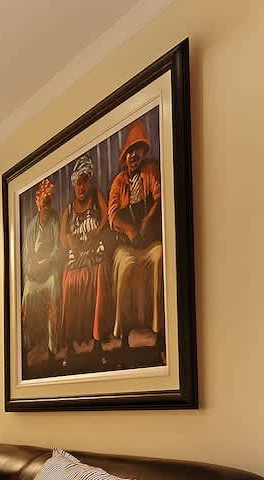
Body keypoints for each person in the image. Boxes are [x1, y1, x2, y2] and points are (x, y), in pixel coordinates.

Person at [107, 117, 164, 350]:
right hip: (128, 244)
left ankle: (157, 328)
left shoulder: (151, 172)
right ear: (125, 156)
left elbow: (159, 198)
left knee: (159, 257)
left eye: (137, 150)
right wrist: (130, 228)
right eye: (129, 151)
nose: (133, 155)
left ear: (143, 152)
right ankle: (123, 330)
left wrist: (147, 220)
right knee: (125, 264)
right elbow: (112, 215)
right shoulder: (119, 182)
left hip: (149, 242)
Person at [58, 154, 110, 358]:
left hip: (96, 250)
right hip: (77, 255)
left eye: (84, 182)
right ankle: (72, 339)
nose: (81, 187)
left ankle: (97, 337)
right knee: (69, 282)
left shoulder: (97, 198)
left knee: (98, 276)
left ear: (89, 182)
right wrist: (72, 241)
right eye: (78, 184)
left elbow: (106, 218)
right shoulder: (69, 210)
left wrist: (96, 233)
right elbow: (63, 239)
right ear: (73, 185)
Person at [20, 178, 62, 365]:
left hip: (50, 270)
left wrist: (47, 263)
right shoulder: (31, 227)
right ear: (38, 204)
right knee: (27, 293)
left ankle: (53, 345)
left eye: (48, 203)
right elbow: (26, 256)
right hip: (35, 273)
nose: (46, 207)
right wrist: (34, 269)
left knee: (53, 287)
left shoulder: (55, 220)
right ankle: (31, 344)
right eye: (43, 203)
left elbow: (58, 249)